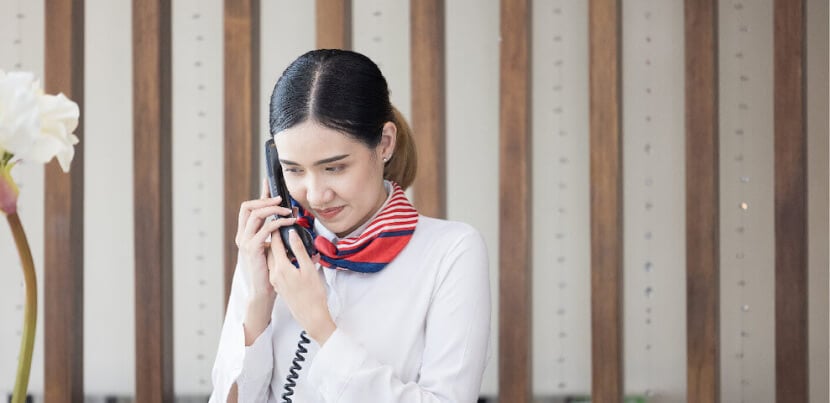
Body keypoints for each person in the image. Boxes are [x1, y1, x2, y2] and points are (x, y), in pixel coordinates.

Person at [209, 49, 491, 403]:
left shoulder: (451, 251)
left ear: (384, 144)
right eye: (293, 170)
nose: (316, 195)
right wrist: (259, 301)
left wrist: (319, 325)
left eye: (334, 168)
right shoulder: (272, 250)